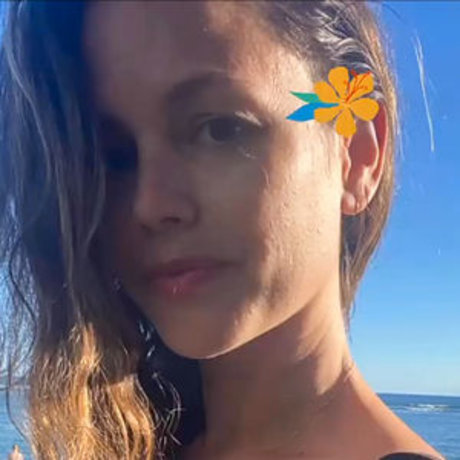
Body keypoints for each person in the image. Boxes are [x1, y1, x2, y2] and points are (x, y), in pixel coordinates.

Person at [0, 1, 446, 459]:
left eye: (220, 129)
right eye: (115, 157)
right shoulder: (122, 443)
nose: (150, 205)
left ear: (357, 154)